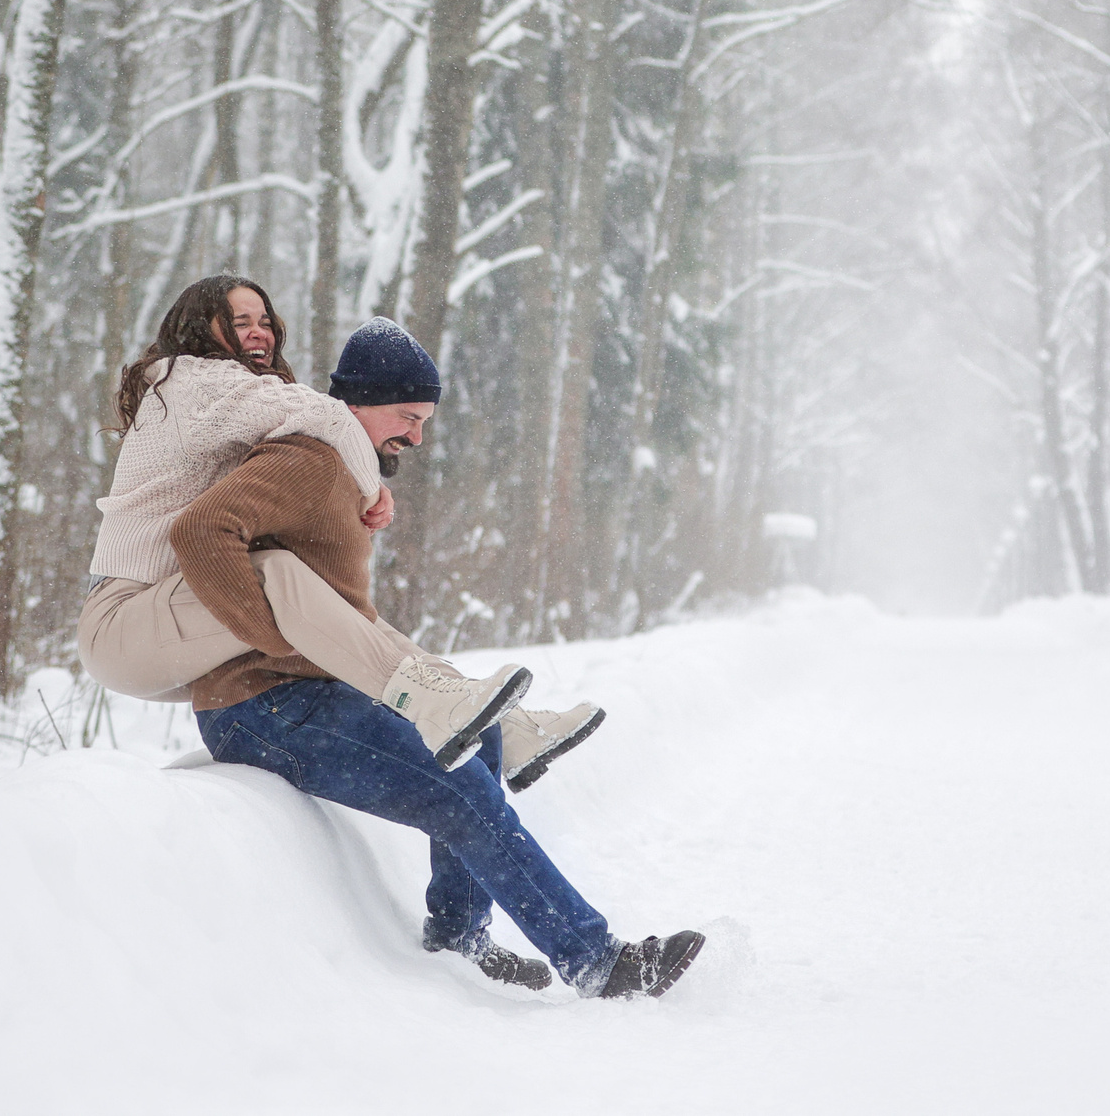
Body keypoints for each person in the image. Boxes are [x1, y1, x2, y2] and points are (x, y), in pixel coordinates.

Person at [159, 315, 704, 998]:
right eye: (407, 416)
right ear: (358, 401)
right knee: (458, 786)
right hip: (260, 706)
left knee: (473, 741)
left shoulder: (339, 466)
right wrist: (267, 638)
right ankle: (596, 959)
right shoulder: (305, 457)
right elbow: (202, 529)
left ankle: (461, 937)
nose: (417, 435)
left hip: (310, 692)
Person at [77, 278, 604, 783]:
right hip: (125, 619)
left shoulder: (234, 395)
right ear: (199, 328)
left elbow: (313, 424)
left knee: (345, 611)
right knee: (277, 572)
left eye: (265, 320)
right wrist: (372, 489)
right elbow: (329, 417)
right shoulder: (191, 380)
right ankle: (424, 705)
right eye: (240, 322)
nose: (259, 331)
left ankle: (502, 727)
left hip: (168, 616)